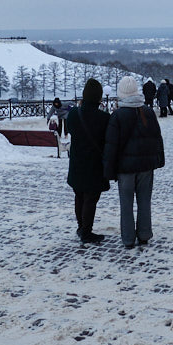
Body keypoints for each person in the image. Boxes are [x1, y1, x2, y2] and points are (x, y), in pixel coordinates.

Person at [103, 76, 165, 249]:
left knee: (126, 204)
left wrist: (108, 171)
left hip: (125, 169)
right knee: (145, 202)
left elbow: (111, 146)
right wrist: (158, 160)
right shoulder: (147, 112)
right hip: (146, 167)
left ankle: (128, 239)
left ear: (121, 93)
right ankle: (144, 234)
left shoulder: (117, 116)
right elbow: (157, 139)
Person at [64, 79, 110, 244]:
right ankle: (86, 232)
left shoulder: (74, 114)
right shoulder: (104, 118)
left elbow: (70, 130)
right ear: (98, 97)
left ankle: (81, 227)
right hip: (94, 164)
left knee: (79, 196)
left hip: (77, 162)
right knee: (91, 198)